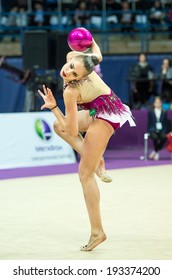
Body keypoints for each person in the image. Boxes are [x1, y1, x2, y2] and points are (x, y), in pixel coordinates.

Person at [38, 37, 136, 251]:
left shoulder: (70, 91)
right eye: (71, 68)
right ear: (74, 58)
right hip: (99, 108)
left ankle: (97, 232)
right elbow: (98, 55)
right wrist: (91, 40)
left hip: (106, 115)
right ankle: (97, 160)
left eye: (75, 74)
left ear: (82, 77)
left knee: (84, 173)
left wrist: (55, 106)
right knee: (57, 126)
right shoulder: (79, 58)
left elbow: (72, 131)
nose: (68, 73)